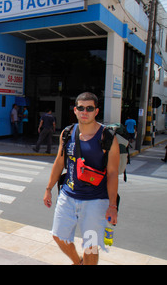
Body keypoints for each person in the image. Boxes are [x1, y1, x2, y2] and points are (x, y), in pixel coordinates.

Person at [43, 92, 120, 265]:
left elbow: (113, 174)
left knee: (91, 246)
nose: (85, 111)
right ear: (75, 110)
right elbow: (59, 162)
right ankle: (78, 262)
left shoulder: (107, 137)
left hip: (96, 200)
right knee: (58, 235)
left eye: (89, 108)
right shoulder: (67, 133)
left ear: (96, 111)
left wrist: (112, 206)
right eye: (81, 108)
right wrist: (48, 189)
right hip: (68, 195)